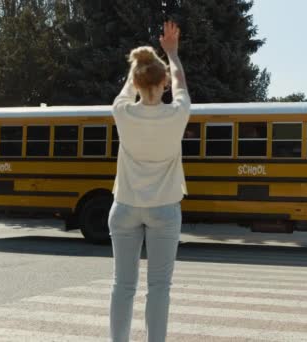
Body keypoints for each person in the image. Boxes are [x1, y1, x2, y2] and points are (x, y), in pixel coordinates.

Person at [109, 21, 189, 342]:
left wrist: (140, 63)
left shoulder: (122, 112)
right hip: (164, 209)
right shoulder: (178, 114)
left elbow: (128, 90)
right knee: (159, 288)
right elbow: (181, 81)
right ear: (164, 83)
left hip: (125, 207)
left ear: (138, 82)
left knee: (122, 285)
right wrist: (171, 53)